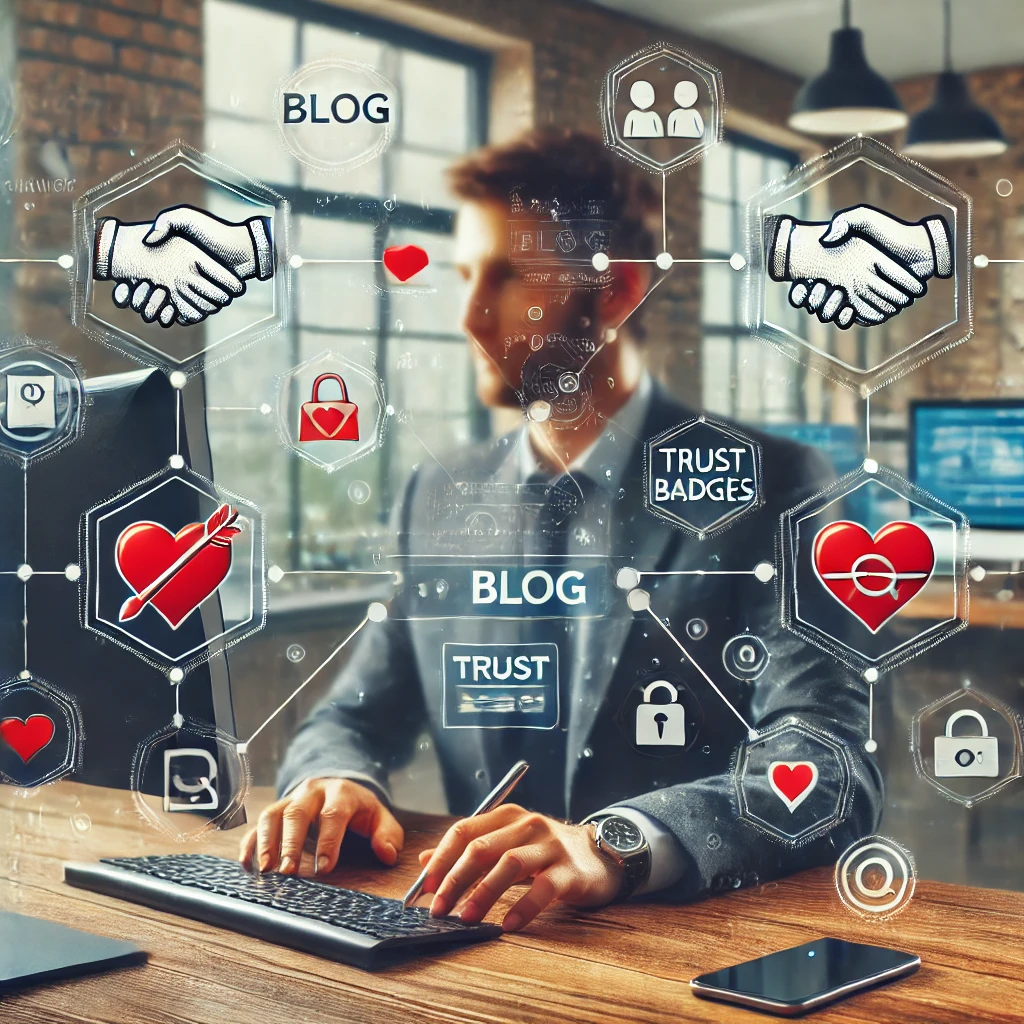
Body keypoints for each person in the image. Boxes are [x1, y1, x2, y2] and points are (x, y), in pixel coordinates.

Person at [239, 129, 882, 932]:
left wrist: (617, 845)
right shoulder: (439, 492)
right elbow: (355, 716)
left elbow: (828, 766)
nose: (470, 318)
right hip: (465, 945)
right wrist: (339, 781)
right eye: (467, 276)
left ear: (615, 293)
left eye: (509, 278)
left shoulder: (777, 486)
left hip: (681, 960)